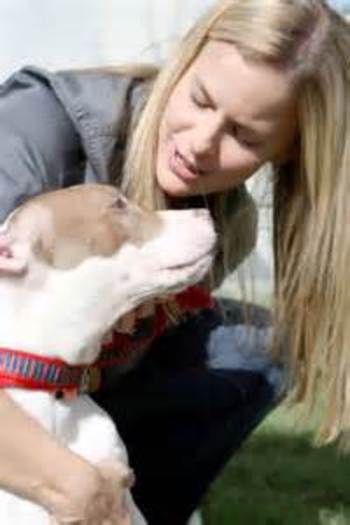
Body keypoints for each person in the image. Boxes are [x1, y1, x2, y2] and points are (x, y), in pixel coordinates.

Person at [0, 0, 348, 523]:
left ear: (282, 156)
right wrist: (72, 485)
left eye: (244, 136)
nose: (201, 143)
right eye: (201, 99)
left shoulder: (225, 222)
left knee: (256, 344)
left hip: (76, 391)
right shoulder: (32, 131)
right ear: (183, 62)